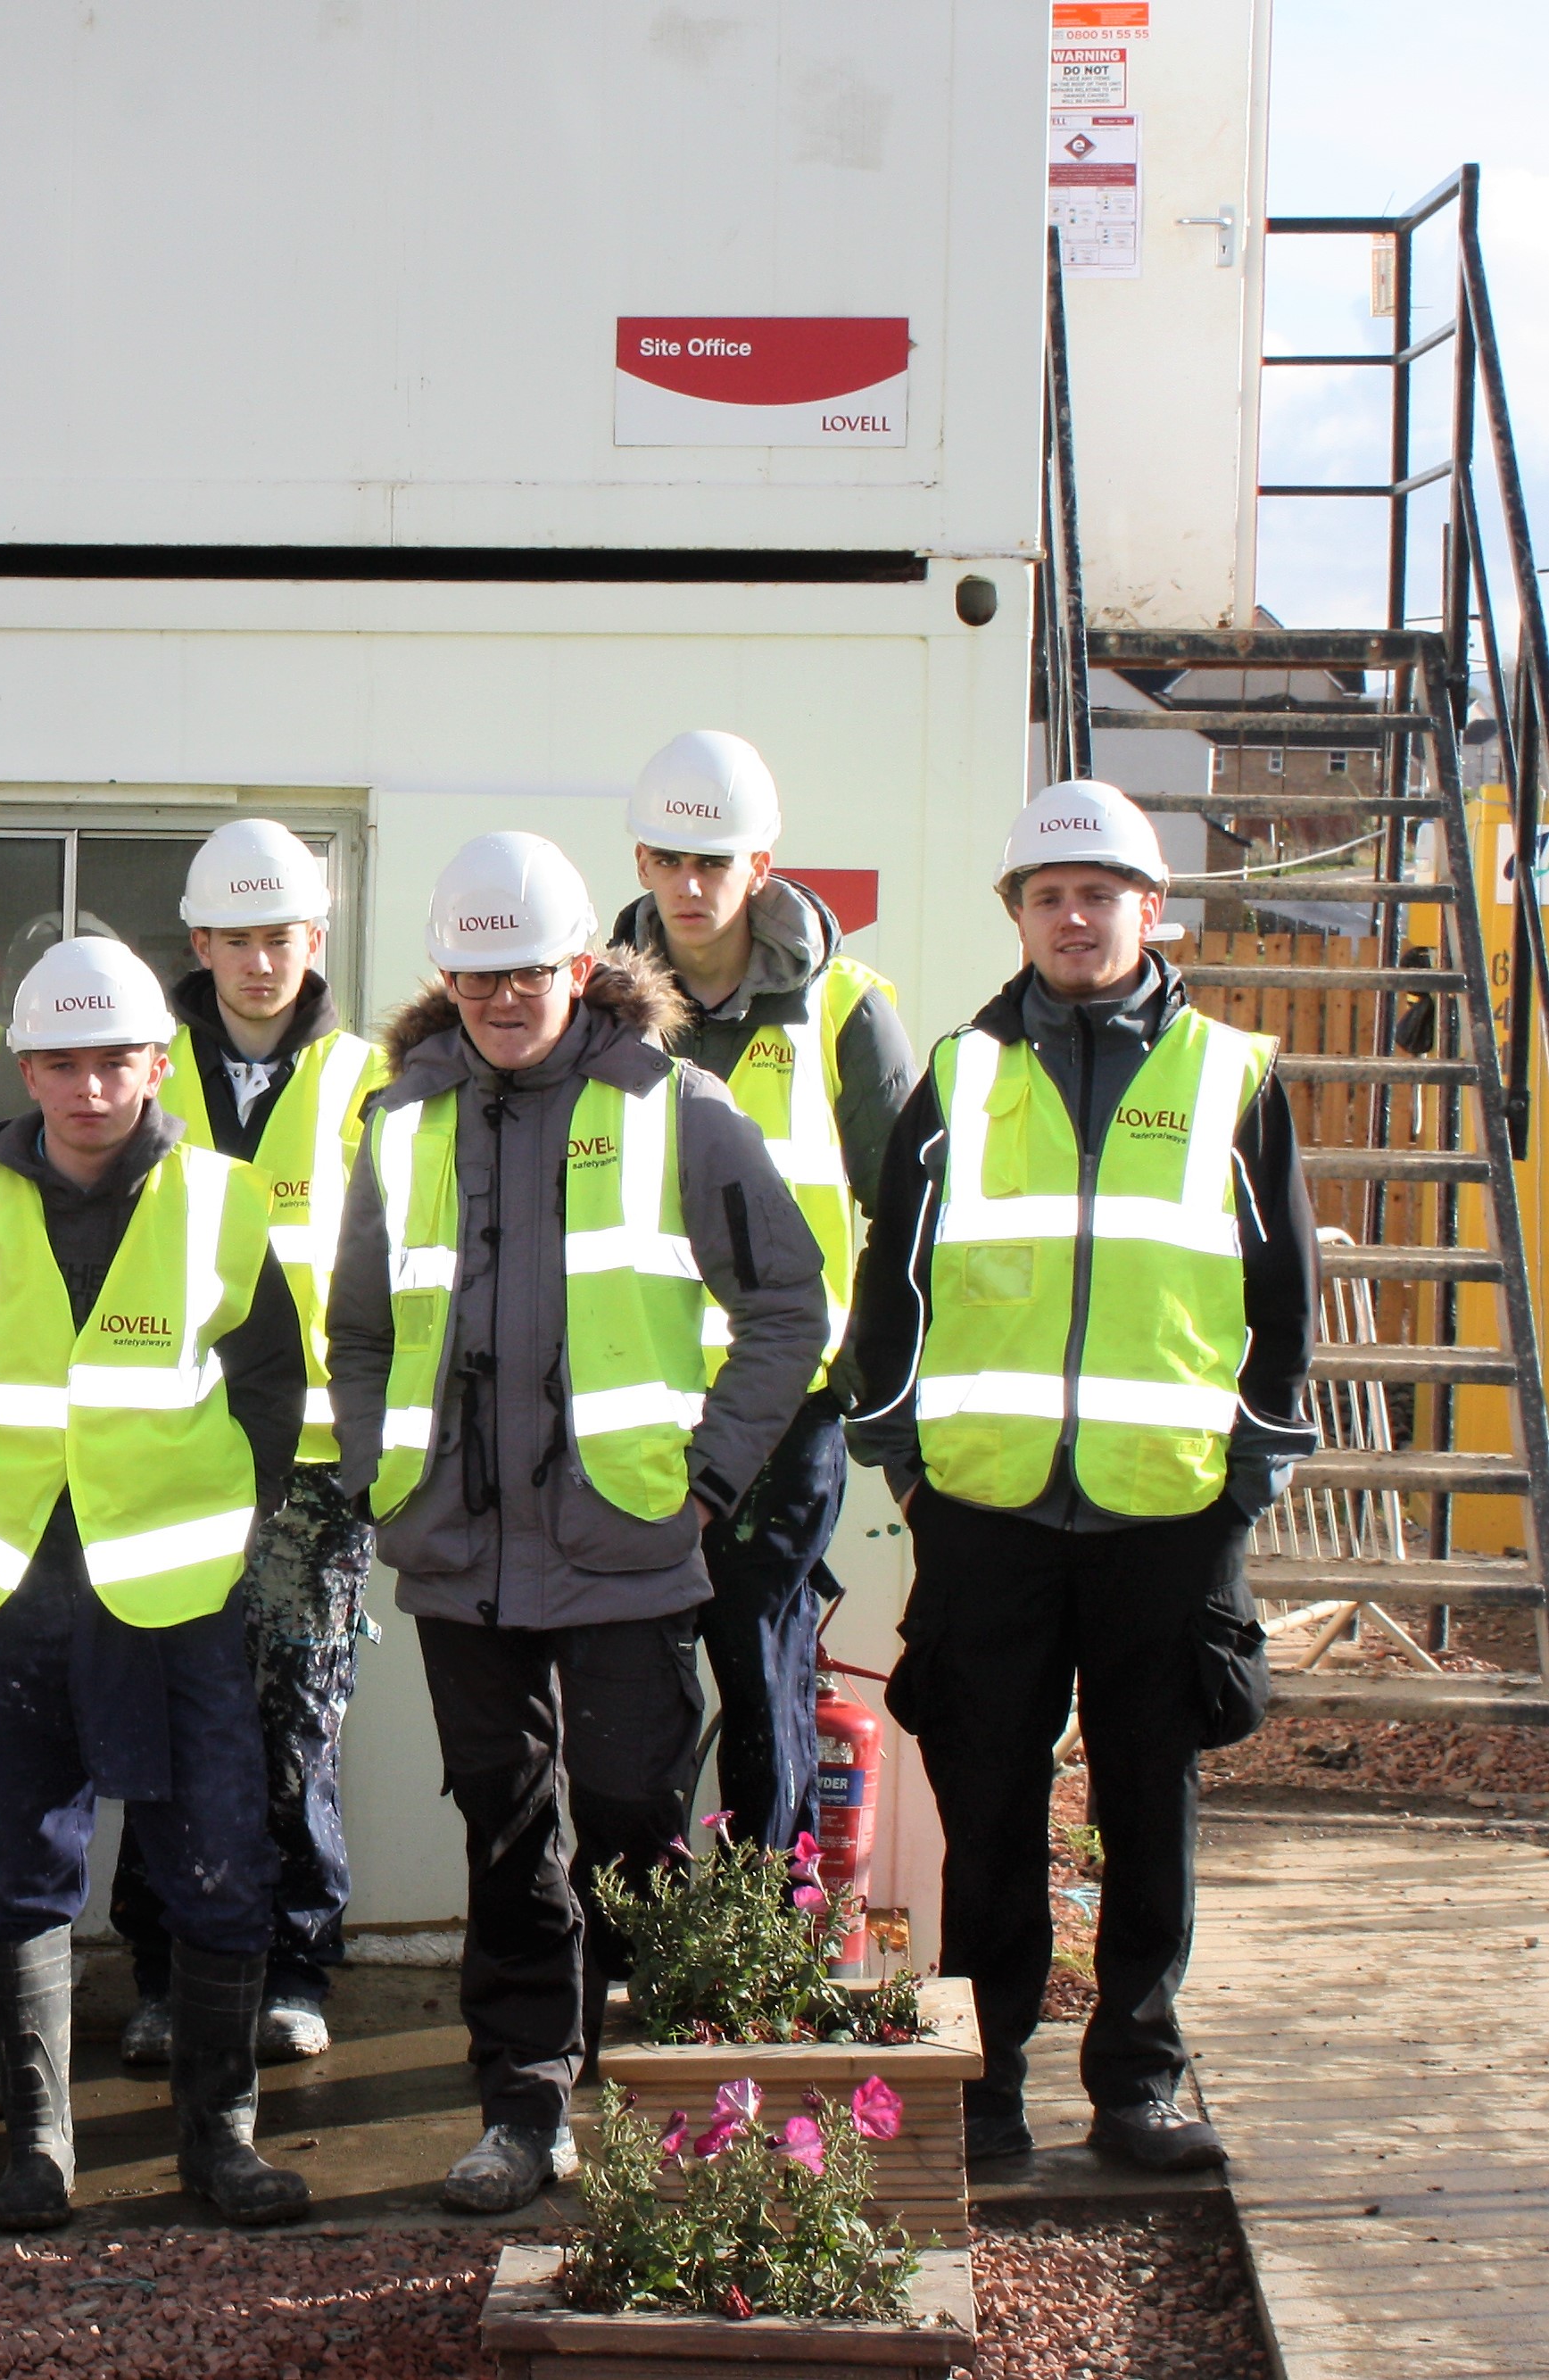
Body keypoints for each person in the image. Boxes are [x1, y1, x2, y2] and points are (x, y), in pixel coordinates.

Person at [327, 833, 827, 2216]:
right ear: (448, 973)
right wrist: (382, 1470)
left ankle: (660, 2094)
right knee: (503, 1827)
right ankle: (524, 2095)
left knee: (630, 1823)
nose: (502, 994)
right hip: (458, 1552)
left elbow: (791, 1303)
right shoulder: (401, 1120)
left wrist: (710, 1477)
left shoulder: (678, 1107)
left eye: (528, 969)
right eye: (477, 971)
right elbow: (360, 1327)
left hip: (624, 1544)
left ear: (577, 967)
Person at [844, 781, 1310, 2177]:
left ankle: (1137, 2085)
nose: (1073, 914)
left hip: (1167, 1518)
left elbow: (1282, 1294)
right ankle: (987, 2092)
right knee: (986, 1809)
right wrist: (905, 1467)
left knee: (1146, 1804)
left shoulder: (1234, 1075)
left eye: (1100, 891)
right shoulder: (960, 1074)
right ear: (1018, 915)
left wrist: (1246, 1482)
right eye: (1047, 895)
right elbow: (893, 1284)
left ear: (1150, 909)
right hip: (987, 1517)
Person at [0, 935, 313, 2233]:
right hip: (7, 1586)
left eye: (113, 1062)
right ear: (21, 1065)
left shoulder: (219, 1200)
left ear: (153, 1061)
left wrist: (215, 1522)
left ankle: (218, 2142)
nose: (87, 1090)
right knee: (18, 1869)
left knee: (220, 1863)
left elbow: (268, 1386)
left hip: (173, 1591)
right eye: (62, 1064)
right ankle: (40, 2150)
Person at [603, 735, 919, 1857]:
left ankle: (759, 1948)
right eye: (671, 860)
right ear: (639, 859)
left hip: (783, 1411)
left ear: (762, 864)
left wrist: (874, 1397)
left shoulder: (843, 1012)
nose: (691, 888)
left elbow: (902, 1221)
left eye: (716, 862)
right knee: (629, 1690)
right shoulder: (590, 1017)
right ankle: (636, 1947)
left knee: (760, 1666)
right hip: (628, 1404)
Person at [111, 819, 388, 2070]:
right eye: (239, 936)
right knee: (164, 1714)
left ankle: (294, 1962)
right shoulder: (135, 1066)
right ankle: (164, 1969)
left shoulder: (372, 1080)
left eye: (283, 934)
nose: (262, 958)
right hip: (162, 1454)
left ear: (314, 939)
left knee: (296, 1719)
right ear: (200, 942)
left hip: (317, 1466)